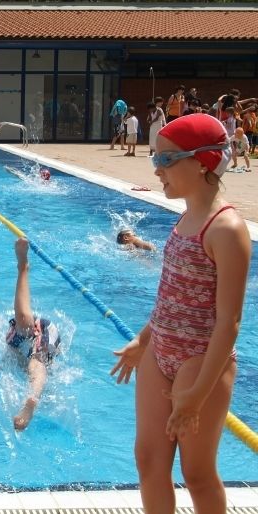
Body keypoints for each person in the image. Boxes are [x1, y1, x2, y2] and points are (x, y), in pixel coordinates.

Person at [111, 113, 250, 514]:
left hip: (201, 361)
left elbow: (229, 322)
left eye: (166, 159)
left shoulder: (226, 229)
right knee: (149, 460)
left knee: (196, 472)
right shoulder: (186, 218)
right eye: (155, 158)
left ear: (203, 161)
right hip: (160, 353)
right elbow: (172, 298)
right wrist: (143, 339)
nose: (157, 169)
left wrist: (198, 393)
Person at [7, 237, 62, 430]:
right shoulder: (12, 342)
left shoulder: (26, 327)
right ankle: (23, 267)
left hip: (45, 329)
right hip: (25, 343)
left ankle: (23, 267)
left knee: (36, 361)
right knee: (28, 361)